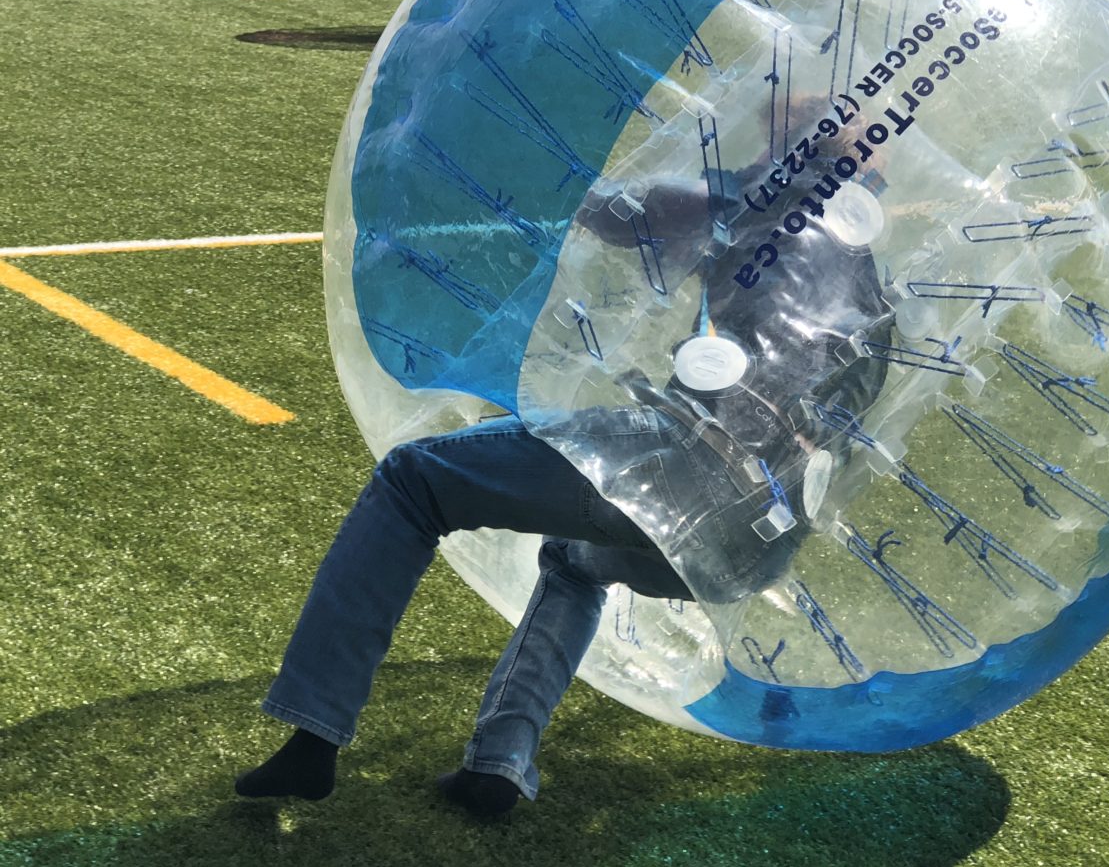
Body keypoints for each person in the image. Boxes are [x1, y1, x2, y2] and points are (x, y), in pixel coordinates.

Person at [235, 123, 893, 819]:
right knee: (578, 562)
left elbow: (622, 213)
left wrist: (538, 165)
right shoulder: (871, 297)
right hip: (757, 542)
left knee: (413, 481)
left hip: (681, 461)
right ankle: (499, 762)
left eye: (770, 134)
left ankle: (312, 735)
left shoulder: (763, 196)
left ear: (791, 152)